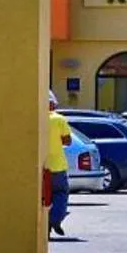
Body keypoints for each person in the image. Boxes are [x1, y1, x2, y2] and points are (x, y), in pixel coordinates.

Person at [46, 94, 73, 237]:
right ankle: (54, 220)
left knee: (41, 197)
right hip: (57, 166)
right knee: (61, 194)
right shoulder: (59, 119)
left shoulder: (36, 119)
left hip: (39, 167)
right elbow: (68, 141)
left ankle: (44, 223)